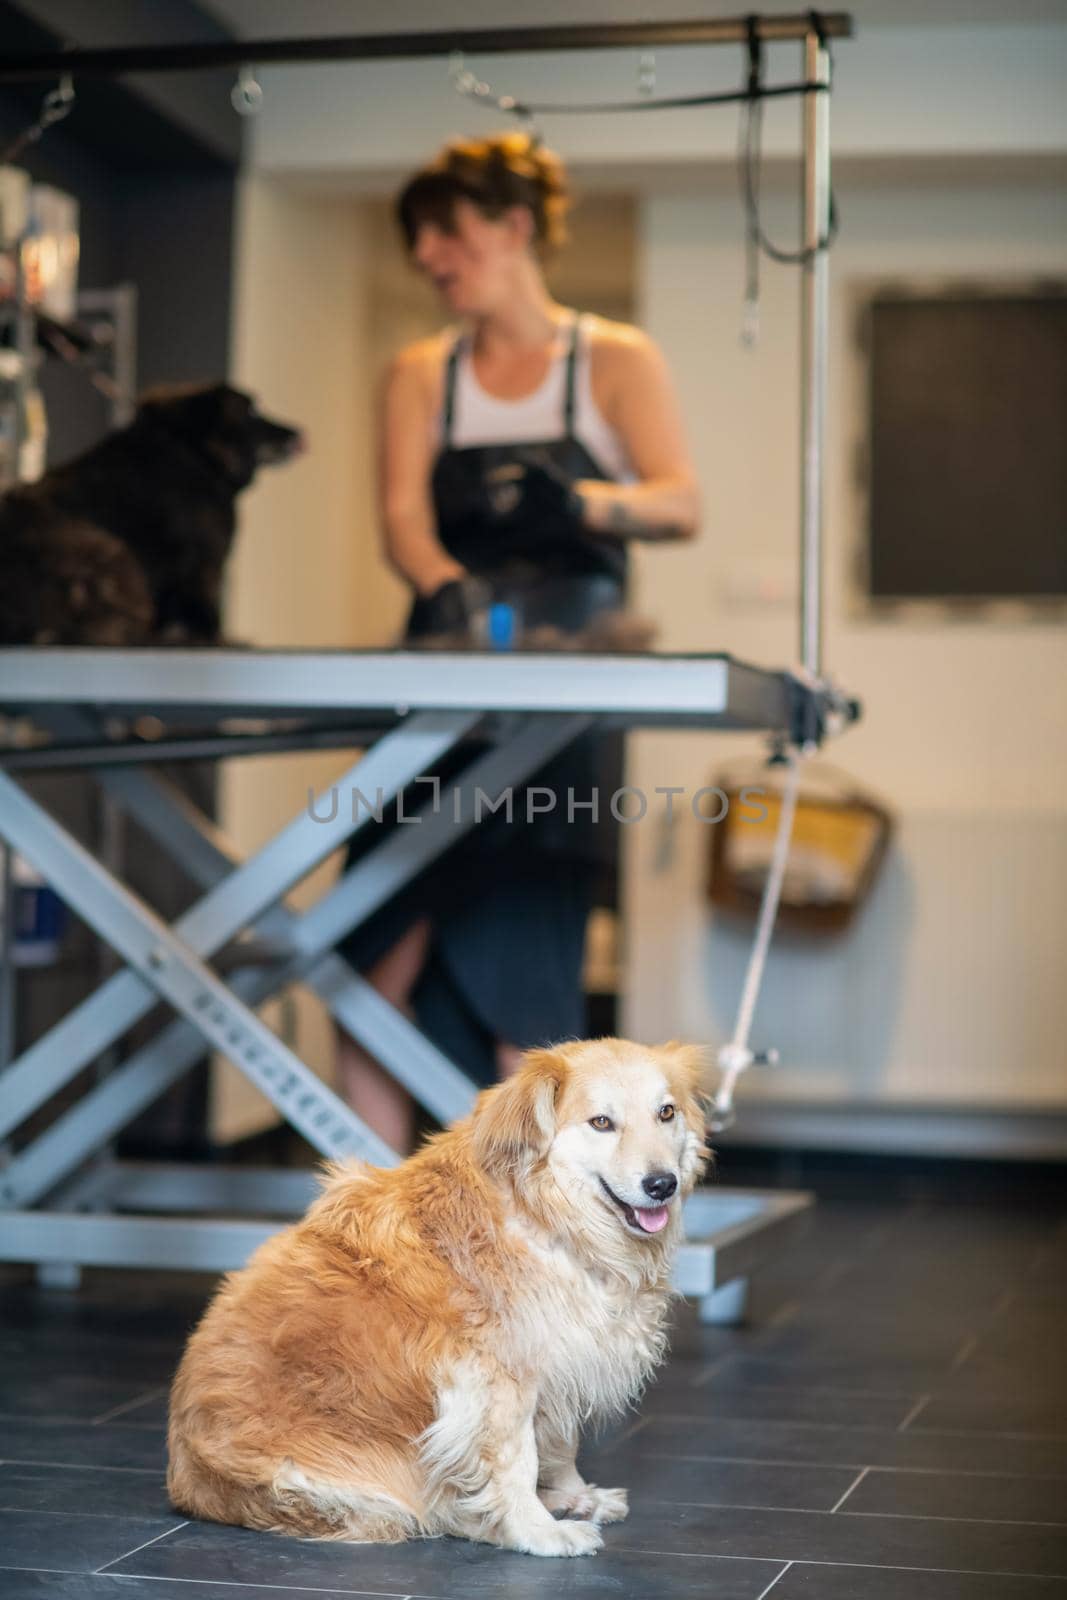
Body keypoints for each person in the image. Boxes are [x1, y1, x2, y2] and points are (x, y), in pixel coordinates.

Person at [336, 131, 700, 1151]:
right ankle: (370, 1225)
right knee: (364, 953)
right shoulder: (419, 373)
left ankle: (534, 1248)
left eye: (445, 239)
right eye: (418, 248)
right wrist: (450, 586)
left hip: (563, 689)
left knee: (520, 978)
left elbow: (679, 503)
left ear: (511, 227)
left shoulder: (613, 360)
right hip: (442, 676)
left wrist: (581, 500)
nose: (430, 262)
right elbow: (402, 521)